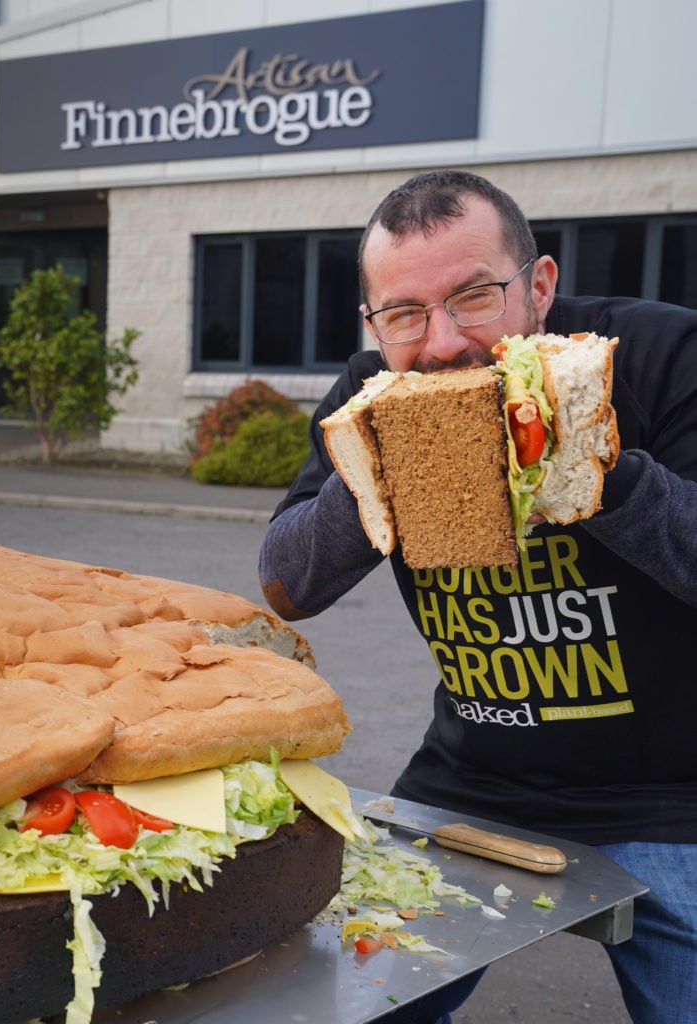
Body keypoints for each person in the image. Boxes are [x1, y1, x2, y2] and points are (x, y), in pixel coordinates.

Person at [258, 170, 697, 1024]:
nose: (444, 342)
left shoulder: (658, 355)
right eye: (405, 315)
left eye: (473, 297)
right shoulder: (367, 393)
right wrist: (382, 470)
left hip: (673, 793)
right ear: (374, 324)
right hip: (469, 778)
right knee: (335, 1005)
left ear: (537, 287)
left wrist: (589, 465)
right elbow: (288, 584)